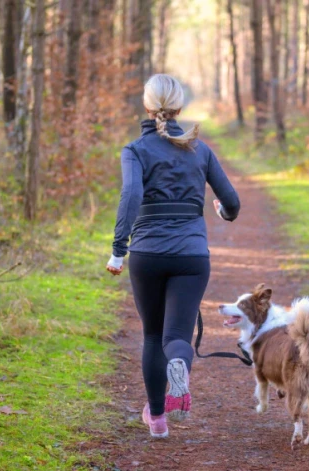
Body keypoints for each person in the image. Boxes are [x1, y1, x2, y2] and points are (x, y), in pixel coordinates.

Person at [106, 74, 241, 439]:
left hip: (147, 254)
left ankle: (158, 420)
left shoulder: (135, 150)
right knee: (176, 335)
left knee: (152, 336)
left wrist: (119, 250)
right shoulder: (201, 149)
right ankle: (179, 363)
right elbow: (232, 202)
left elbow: (131, 196)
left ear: (148, 107)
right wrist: (223, 214)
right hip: (191, 256)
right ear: (179, 107)